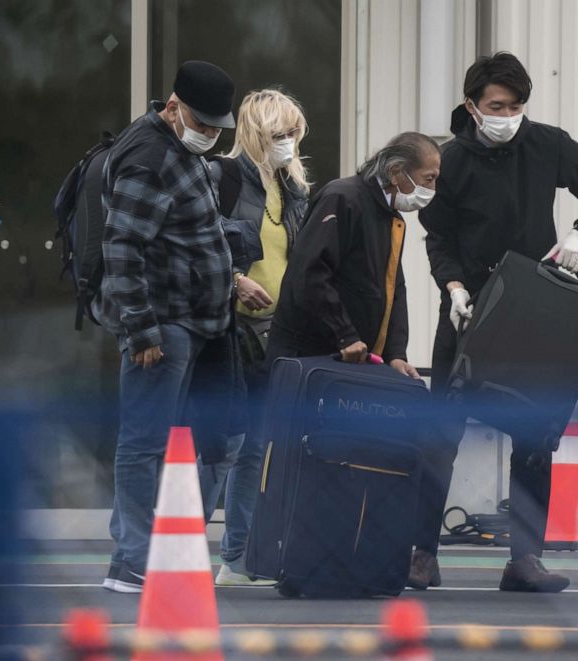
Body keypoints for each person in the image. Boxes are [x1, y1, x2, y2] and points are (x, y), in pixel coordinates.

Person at [414, 52, 578, 592]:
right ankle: (420, 553)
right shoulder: (450, 160)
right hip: (469, 306)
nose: (509, 115)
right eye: (497, 106)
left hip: (537, 308)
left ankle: (524, 560)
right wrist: (453, 287)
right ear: (473, 107)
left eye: (517, 105)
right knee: (443, 430)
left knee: (535, 434)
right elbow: (437, 235)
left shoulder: (548, 143)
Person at [96, 60, 237, 593]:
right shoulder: (150, 157)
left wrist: (233, 277)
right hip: (166, 324)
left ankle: (141, 550)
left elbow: (192, 227)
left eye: (216, 127)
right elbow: (122, 247)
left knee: (192, 439)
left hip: (196, 319)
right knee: (144, 443)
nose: (210, 135)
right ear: (174, 107)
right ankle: (132, 559)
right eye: (203, 124)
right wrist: (142, 331)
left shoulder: (177, 148)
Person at [198, 89, 311, 586]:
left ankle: (237, 556)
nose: (286, 143)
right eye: (277, 133)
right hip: (230, 326)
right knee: (222, 443)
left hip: (277, 331)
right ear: (254, 132)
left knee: (256, 445)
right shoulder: (220, 176)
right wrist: (234, 278)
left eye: (292, 134)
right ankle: (176, 545)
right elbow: (195, 240)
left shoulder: (293, 188)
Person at [264, 131, 439, 374]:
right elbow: (310, 273)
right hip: (309, 360)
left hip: (353, 361)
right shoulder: (343, 198)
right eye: (428, 179)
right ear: (397, 171)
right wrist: (345, 335)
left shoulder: (391, 219)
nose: (432, 189)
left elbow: (393, 288)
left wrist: (395, 354)